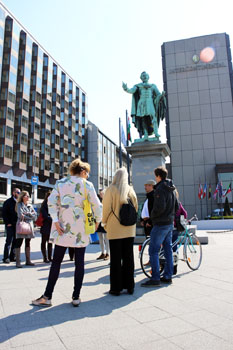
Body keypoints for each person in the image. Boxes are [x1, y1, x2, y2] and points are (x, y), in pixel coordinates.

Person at [32, 159, 102, 307]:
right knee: (79, 263)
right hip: (80, 230)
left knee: (56, 262)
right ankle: (76, 296)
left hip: (62, 228)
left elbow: (51, 202)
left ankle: (47, 296)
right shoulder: (87, 185)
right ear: (83, 171)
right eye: (87, 173)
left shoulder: (60, 183)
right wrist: (97, 221)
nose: (88, 176)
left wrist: (56, 221)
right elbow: (96, 204)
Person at [102, 167, 138, 296]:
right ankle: (130, 286)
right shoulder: (130, 190)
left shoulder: (110, 190)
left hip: (115, 228)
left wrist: (104, 222)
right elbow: (136, 208)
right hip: (129, 229)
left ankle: (116, 288)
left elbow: (106, 209)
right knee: (129, 258)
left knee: (116, 259)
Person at [141, 166, 178, 287]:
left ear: (158, 176)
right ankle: (168, 276)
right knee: (168, 249)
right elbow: (177, 206)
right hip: (169, 223)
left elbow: (159, 207)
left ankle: (155, 278)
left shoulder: (160, 189)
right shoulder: (172, 188)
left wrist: (152, 217)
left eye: (155, 176)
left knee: (153, 250)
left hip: (160, 223)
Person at [122, 71, 166, 141]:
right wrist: (126, 88)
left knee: (153, 117)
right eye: (143, 76)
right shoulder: (138, 86)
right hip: (141, 103)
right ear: (141, 78)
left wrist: (162, 95)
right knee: (143, 119)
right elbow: (131, 91)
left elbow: (158, 94)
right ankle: (145, 135)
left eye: (145, 76)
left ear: (148, 77)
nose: (144, 77)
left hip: (150, 102)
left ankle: (156, 133)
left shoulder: (153, 86)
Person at [15, 191, 37, 268]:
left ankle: (28, 260)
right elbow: (20, 215)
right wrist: (30, 216)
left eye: (28, 196)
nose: (28, 197)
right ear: (22, 197)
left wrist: (28, 215)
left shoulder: (30, 205)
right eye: (26, 196)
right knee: (19, 242)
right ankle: (17, 261)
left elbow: (35, 216)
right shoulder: (19, 204)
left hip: (29, 226)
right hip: (21, 225)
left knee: (28, 243)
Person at [2, 188, 21, 263]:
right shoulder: (8, 202)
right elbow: (4, 213)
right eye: (18, 192)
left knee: (15, 241)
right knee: (9, 241)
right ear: (14, 193)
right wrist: (8, 223)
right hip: (10, 225)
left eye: (20, 192)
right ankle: (6, 257)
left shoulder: (19, 202)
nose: (19, 194)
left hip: (17, 224)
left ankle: (12, 256)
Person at [173, 190, 187, 275]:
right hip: (175, 228)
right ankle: (175, 267)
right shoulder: (178, 203)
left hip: (168, 227)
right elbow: (185, 214)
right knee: (175, 248)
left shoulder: (168, 202)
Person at [96, 189, 109, 261]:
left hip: (105, 222)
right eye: (100, 193)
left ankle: (107, 253)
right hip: (98, 221)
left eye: (102, 193)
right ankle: (102, 253)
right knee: (100, 239)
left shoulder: (107, 201)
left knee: (106, 239)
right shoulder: (98, 201)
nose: (100, 194)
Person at [40, 191, 53, 263]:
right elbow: (45, 216)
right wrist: (53, 219)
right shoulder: (44, 205)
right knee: (44, 242)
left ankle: (50, 257)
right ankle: (45, 258)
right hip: (45, 226)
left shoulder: (52, 204)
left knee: (50, 242)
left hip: (51, 226)